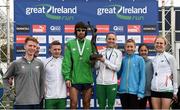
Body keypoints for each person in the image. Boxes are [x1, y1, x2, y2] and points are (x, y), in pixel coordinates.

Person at [3, 36, 45, 109]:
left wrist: (41, 96)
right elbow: (5, 78)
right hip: (20, 103)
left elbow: (42, 81)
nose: (32, 48)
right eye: (30, 45)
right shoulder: (16, 63)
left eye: (34, 46)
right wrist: (9, 94)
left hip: (36, 103)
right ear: (25, 46)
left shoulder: (40, 63)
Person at [62, 21, 95, 109]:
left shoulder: (90, 43)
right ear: (75, 31)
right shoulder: (70, 43)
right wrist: (67, 77)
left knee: (86, 103)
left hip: (87, 78)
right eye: (78, 30)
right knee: (73, 103)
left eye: (83, 30)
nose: (81, 32)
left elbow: (94, 63)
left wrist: (94, 61)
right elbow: (67, 62)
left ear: (85, 32)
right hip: (74, 79)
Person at [95, 32, 122, 109]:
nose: (111, 40)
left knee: (111, 106)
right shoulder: (101, 52)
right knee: (101, 106)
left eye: (113, 39)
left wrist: (104, 61)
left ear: (115, 40)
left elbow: (117, 68)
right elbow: (96, 67)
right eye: (109, 39)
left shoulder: (118, 53)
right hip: (100, 82)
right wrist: (96, 60)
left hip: (111, 83)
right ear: (106, 40)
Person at [151, 36, 178, 109]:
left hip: (166, 90)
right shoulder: (154, 59)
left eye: (161, 43)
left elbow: (175, 75)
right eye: (157, 43)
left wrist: (175, 91)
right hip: (154, 90)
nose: (159, 45)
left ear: (165, 45)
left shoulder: (170, 57)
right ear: (154, 44)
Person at [118, 39, 145, 109]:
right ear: (125, 48)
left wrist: (140, 92)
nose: (129, 48)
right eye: (128, 47)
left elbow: (142, 77)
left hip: (135, 92)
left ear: (135, 48)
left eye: (131, 47)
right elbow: (118, 74)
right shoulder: (122, 60)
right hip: (123, 92)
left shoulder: (140, 59)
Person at [43, 40, 67, 109]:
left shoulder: (65, 61)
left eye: (59, 49)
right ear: (50, 50)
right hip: (49, 97)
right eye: (55, 49)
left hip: (62, 96)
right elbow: (42, 78)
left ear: (61, 50)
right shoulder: (45, 62)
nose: (57, 51)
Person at [138, 44, 153, 109]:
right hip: (140, 93)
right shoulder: (136, 62)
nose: (143, 52)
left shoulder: (152, 62)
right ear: (138, 51)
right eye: (141, 50)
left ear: (148, 51)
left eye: (145, 50)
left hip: (151, 92)